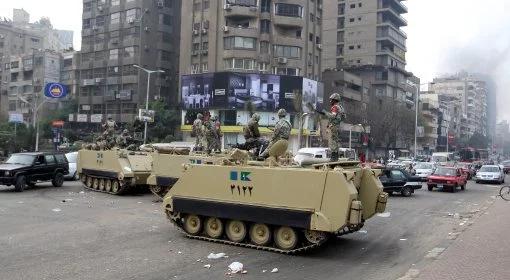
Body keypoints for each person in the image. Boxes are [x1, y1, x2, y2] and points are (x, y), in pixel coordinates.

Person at [322, 93, 346, 161]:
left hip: (334, 126)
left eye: (331, 100)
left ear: (335, 100)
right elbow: (343, 117)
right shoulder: (341, 107)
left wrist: (325, 113)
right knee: (336, 141)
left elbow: (332, 116)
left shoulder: (335, 107)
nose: (330, 101)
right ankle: (336, 157)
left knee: (333, 141)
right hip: (338, 126)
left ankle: (333, 157)